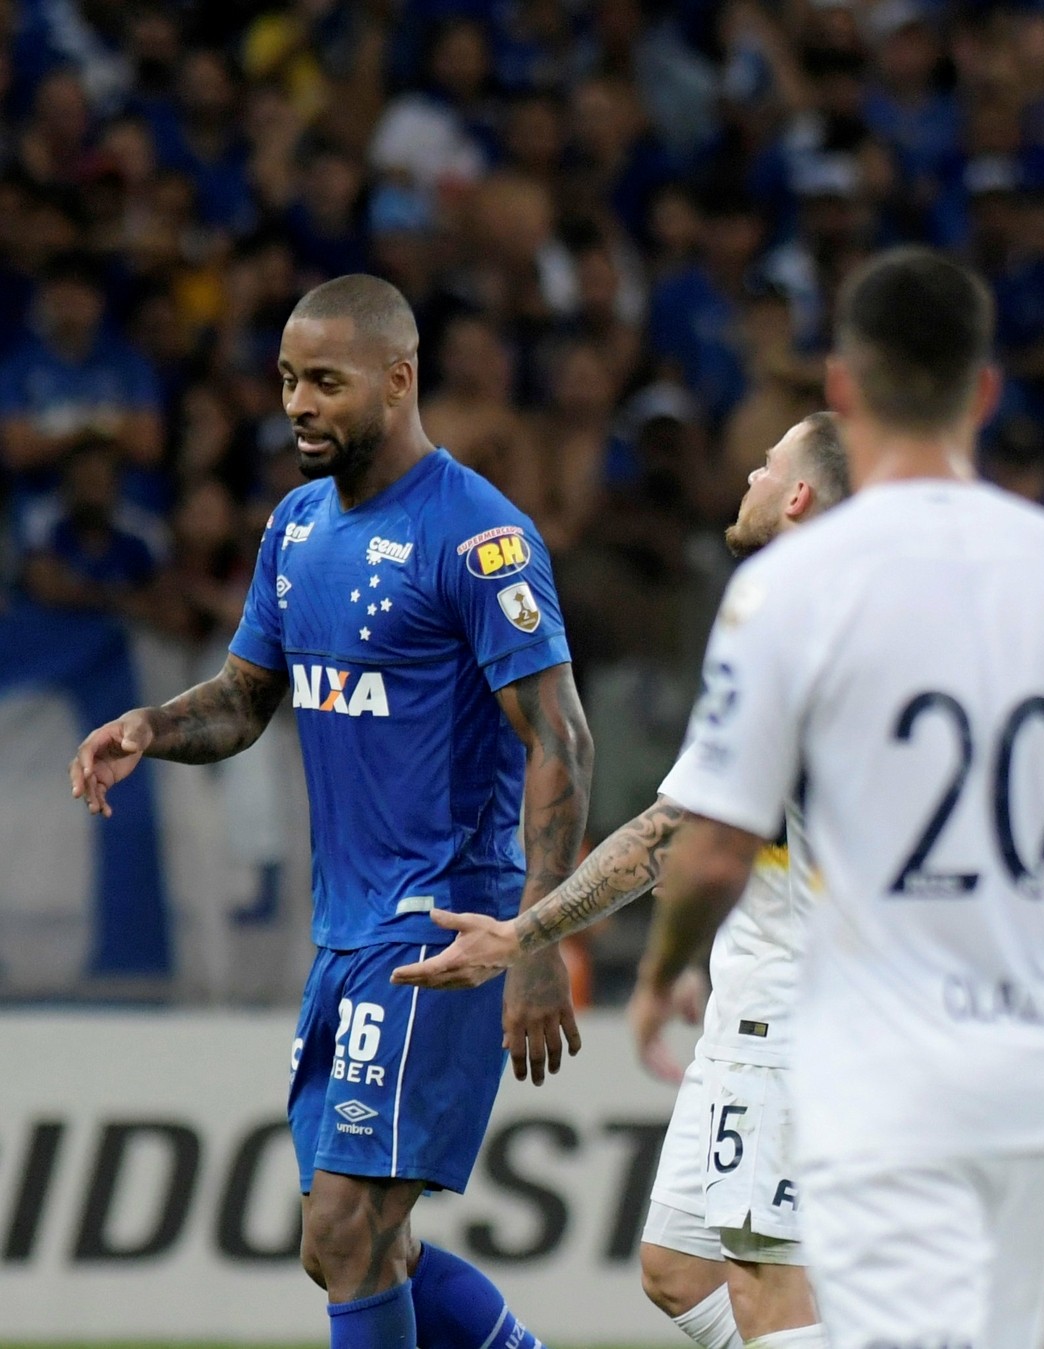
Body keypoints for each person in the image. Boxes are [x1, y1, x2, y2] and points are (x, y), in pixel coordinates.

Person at [392, 246, 1044, 1349]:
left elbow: (699, 841)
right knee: (765, 1284)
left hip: (845, 1021)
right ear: (987, 392)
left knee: (787, 1302)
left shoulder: (792, 596)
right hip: (1026, 1041)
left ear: (847, 389)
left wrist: (655, 964)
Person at [68, 275, 590, 1349]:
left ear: (397, 380)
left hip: (442, 922)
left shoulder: (478, 535)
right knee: (350, 1243)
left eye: (325, 382)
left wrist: (535, 940)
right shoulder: (297, 527)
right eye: (288, 381)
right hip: (344, 929)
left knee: (346, 1225)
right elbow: (247, 698)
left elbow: (562, 738)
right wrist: (150, 728)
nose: (298, 404)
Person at [629, 411, 849, 1349]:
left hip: (791, 1018)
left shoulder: (794, 626)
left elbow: (674, 839)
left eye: (766, 464)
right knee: (677, 1268)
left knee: (769, 1292)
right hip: (755, 1008)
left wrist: (527, 936)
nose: (748, 474)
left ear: (796, 495)